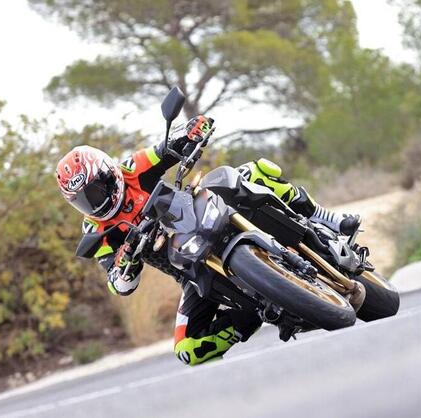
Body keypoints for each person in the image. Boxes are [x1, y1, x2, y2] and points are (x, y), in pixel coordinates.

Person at [55, 115, 359, 366]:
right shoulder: (96, 231)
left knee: (252, 172)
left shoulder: (133, 169)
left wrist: (193, 129)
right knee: (187, 349)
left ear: (109, 172)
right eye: (84, 199)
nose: (95, 201)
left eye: (96, 189)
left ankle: (324, 218)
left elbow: (168, 147)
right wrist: (126, 261)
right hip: (190, 269)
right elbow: (118, 284)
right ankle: (249, 316)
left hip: (200, 214)